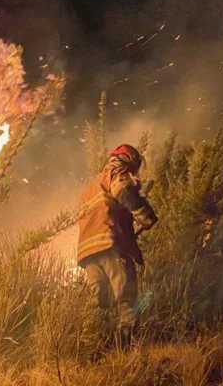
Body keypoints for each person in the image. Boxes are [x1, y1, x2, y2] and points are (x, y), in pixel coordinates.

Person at [77, 144, 158, 349]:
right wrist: (145, 215)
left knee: (96, 304)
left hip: (88, 252)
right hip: (110, 245)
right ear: (130, 160)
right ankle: (126, 351)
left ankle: (91, 352)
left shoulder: (92, 185)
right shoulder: (118, 173)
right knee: (126, 297)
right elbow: (125, 195)